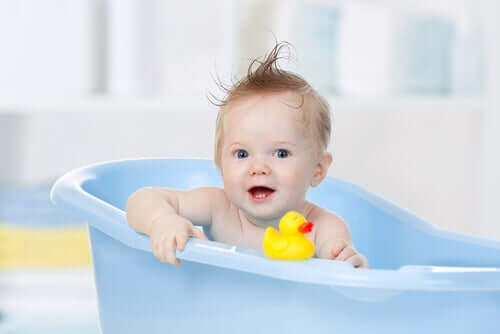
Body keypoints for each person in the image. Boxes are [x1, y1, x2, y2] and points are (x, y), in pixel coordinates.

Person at [126, 42, 368, 268]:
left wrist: (349, 264)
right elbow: (141, 199)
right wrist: (162, 221)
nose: (258, 167)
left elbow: (346, 273)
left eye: (281, 153)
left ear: (317, 169)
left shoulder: (321, 227)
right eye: (242, 153)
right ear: (220, 164)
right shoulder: (218, 208)